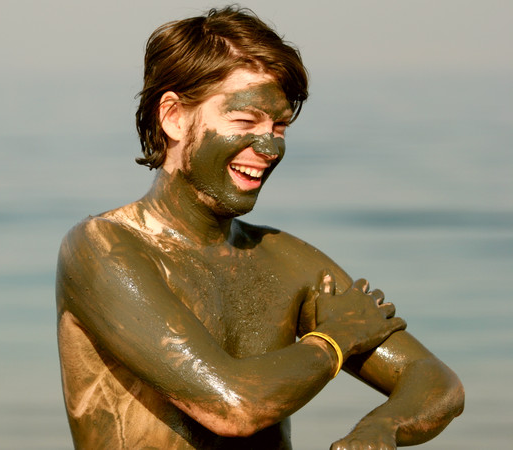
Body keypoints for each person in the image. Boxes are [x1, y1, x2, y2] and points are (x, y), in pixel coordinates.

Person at [55, 6, 464, 449]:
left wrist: (383, 427)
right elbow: (233, 407)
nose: (269, 146)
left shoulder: (286, 259)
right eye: (245, 121)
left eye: (280, 126)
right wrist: (335, 341)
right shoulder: (103, 248)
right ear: (173, 116)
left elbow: (436, 380)